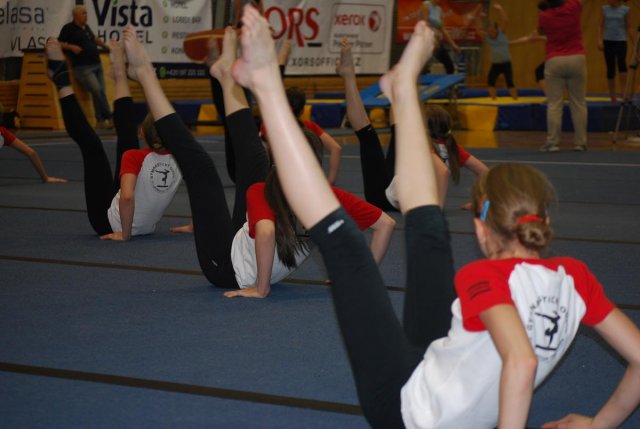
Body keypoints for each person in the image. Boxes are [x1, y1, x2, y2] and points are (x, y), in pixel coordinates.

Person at [234, 6, 640, 428]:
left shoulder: (484, 279)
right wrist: (600, 424)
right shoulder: (576, 279)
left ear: (482, 230)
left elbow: (520, 361)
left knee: (349, 245)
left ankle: (268, 85)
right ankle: (405, 87)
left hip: (408, 411)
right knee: (425, 231)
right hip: (437, 362)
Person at [123, 25, 394, 297]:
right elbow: (386, 224)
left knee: (201, 170)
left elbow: (265, 232)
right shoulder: (326, 197)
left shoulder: (264, 192)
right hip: (245, 245)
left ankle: (146, 73)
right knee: (252, 160)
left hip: (225, 268)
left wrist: (261, 289)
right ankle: (227, 75)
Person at [45, 38, 182, 240]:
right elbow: (204, 194)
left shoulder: (134, 157)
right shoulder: (183, 158)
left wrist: (124, 235)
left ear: (142, 132)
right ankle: (119, 73)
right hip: (139, 223)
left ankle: (62, 82)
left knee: (93, 147)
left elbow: (126, 197)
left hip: (107, 221)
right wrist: (193, 226)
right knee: (122, 147)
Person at [336, 38, 486, 211]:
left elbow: (443, 172)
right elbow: (486, 173)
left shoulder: (425, 148)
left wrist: (437, 209)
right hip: (398, 188)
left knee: (368, 135)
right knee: (396, 131)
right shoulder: (452, 148)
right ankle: (396, 84)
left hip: (384, 199)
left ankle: (350, 77)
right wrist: (480, 201)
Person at [259, 86, 343, 184]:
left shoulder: (269, 125)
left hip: (280, 180)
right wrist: (330, 182)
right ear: (303, 110)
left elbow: (269, 154)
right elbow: (336, 149)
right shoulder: (310, 126)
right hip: (306, 181)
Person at [536, 0, 588, 153]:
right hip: (576, 57)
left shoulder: (544, 16)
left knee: (554, 104)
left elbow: (541, 31)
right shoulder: (574, 7)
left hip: (555, 59)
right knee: (578, 103)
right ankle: (581, 142)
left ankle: (552, 142)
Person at [58, 5, 113, 129]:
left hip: (97, 64)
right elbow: (58, 43)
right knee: (97, 90)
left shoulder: (86, 27)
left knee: (100, 93)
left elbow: (94, 39)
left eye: (86, 13)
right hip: (83, 68)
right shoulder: (68, 28)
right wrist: (71, 47)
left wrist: (105, 47)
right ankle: (109, 116)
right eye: (83, 13)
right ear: (75, 15)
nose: (86, 16)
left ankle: (100, 121)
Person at [477, 4, 518, 100]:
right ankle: (493, 99)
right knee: (491, 82)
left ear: (497, 29)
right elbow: (478, 30)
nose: (491, 33)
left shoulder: (501, 34)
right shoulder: (487, 37)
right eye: (489, 31)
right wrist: (479, 17)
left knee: (510, 82)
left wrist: (501, 9)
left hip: (506, 63)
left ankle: (515, 99)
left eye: (493, 31)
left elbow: (505, 21)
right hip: (495, 64)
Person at [0, 126, 67, 184]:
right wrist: (45, 178)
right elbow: (31, 153)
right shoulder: (3, 133)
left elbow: (31, 153)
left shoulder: (4, 133)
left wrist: (45, 178)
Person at [598, 0, 633, 102]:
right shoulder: (604, 9)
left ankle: (623, 93)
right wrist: (599, 39)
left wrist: (634, 43)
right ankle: (612, 95)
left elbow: (629, 27)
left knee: (622, 64)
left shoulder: (626, 10)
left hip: (621, 41)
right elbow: (600, 25)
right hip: (608, 41)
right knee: (610, 67)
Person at [420, 0, 460, 74]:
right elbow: (424, 24)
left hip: (436, 41)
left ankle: (448, 83)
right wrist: (433, 33)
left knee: (449, 65)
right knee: (423, 66)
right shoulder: (426, 5)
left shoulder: (439, 10)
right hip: (425, 39)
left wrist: (453, 45)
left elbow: (443, 29)